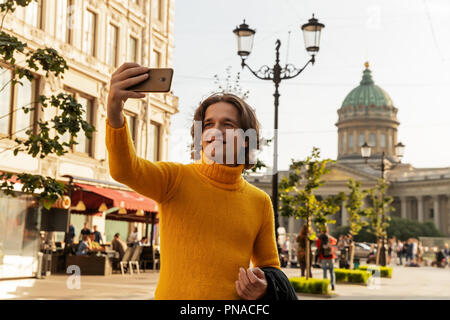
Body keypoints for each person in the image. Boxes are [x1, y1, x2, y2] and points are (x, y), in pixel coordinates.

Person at [105, 63, 284, 300]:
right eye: (208, 124)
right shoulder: (175, 179)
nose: (215, 131)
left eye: (227, 124)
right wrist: (114, 110)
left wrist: (262, 287)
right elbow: (125, 170)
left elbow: (269, 268)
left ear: (246, 140)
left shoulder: (260, 201)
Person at [316, 226, 337, 291]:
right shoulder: (330, 238)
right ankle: (333, 285)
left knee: (324, 271)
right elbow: (335, 241)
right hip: (331, 256)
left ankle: (325, 285)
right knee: (332, 271)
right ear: (327, 231)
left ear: (321, 231)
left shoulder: (319, 239)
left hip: (323, 257)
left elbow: (317, 246)